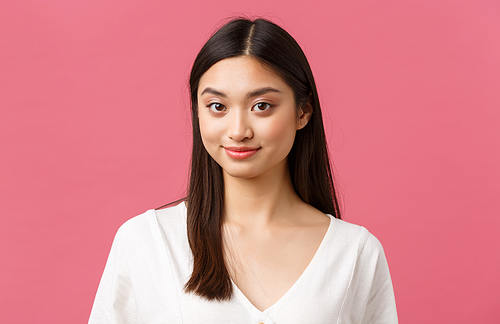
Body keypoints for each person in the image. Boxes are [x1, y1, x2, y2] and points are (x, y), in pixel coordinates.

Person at [89, 17, 398, 323]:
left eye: (262, 105)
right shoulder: (146, 242)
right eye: (218, 107)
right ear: (197, 111)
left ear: (302, 112)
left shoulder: (355, 253)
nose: (238, 131)